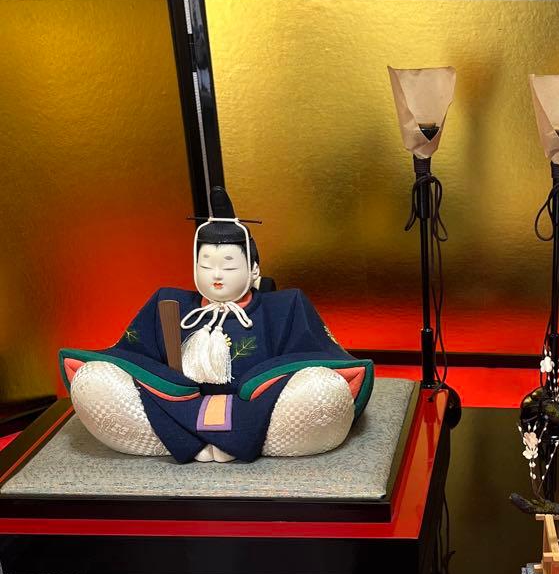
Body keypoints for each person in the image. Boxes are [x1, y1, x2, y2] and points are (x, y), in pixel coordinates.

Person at [61, 187, 374, 463]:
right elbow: (133, 356)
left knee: (321, 387)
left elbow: (315, 357)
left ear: (254, 270)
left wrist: (259, 382)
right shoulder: (168, 303)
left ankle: (223, 438)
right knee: (95, 380)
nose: (216, 274)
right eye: (206, 264)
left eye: (229, 265)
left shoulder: (284, 305)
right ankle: (188, 437)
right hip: (177, 409)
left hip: (256, 408)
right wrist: (168, 386)